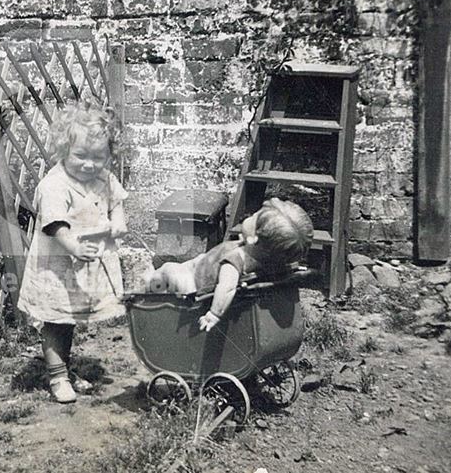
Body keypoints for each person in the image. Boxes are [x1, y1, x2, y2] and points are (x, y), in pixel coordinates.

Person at [16, 102, 127, 404]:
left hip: (87, 264)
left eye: (98, 157)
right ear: (64, 150)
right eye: (81, 156)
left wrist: (118, 223)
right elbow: (55, 225)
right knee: (56, 319)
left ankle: (65, 367)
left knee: (70, 318)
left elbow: (116, 202)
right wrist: (75, 247)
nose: (90, 165)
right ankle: (57, 376)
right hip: (59, 263)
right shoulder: (54, 184)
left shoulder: (104, 178)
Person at [146, 198, 313, 331]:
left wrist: (214, 314)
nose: (249, 216)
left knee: (168, 269)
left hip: (195, 285)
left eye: (253, 217)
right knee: (195, 261)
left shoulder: (234, 261)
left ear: (254, 238)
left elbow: (227, 288)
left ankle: (150, 300)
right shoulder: (269, 258)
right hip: (206, 267)